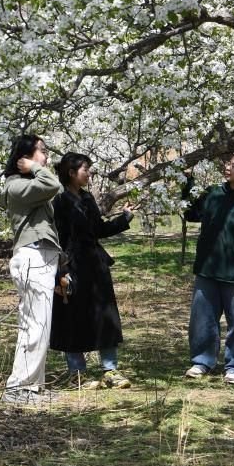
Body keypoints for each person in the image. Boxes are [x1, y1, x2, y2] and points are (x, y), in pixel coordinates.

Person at [49, 152, 135, 389]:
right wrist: (60, 271)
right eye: (85, 169)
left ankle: (110, 369)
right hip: (71, 266)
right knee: (73, 317)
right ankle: (77, 373)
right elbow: (57, 239)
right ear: (71, 173)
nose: (89, 173)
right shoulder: (59, 202)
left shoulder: (87, 198)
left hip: (95, 265)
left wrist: (125, 218)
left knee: (104, 314)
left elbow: (98, 229)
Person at [183, 152, 234, 384]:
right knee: (202, 320)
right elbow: (191, 213)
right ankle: (202, 361)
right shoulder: (213, 194)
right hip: (207, 270)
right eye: (229, 163)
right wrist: (187, 182)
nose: (228, 168)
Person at [0, 134, 62, 405]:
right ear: (24, 157)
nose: (46, 157)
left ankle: (32, 387)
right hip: (33, 257)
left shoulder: (28, 185)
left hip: (41, 256)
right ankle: (18, 389)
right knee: (35, 325)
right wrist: (34, 167)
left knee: (39, 325)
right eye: (42, 151)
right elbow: (53, 184)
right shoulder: (16, 186)